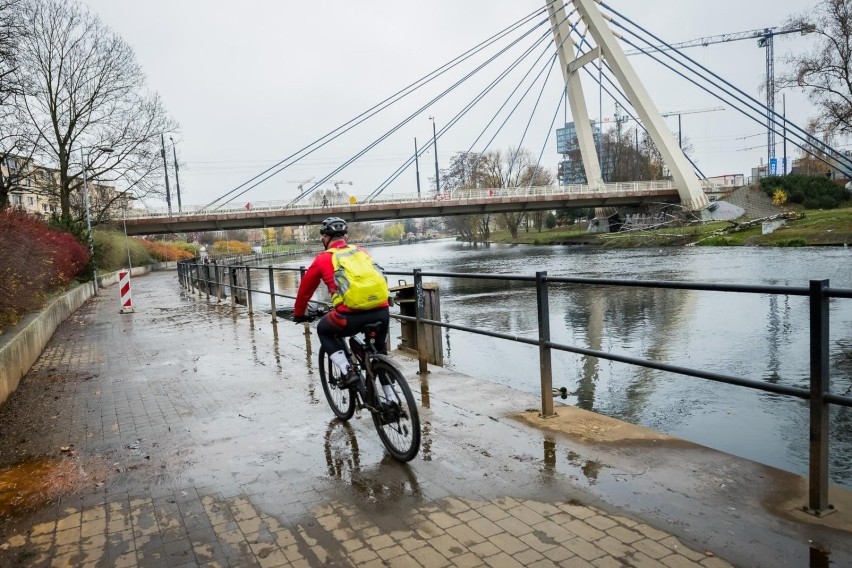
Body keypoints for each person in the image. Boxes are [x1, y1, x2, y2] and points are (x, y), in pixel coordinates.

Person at [293, 217, 390, 386]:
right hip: (381, 310)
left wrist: (299, 314)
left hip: (349, 316)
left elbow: (304, 292)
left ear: (325, 238)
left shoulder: (323, 259)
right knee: (380, 353)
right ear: (346, 237)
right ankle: (391, 399)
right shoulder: (361, 251)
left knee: (324, 330)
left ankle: (347, 369)